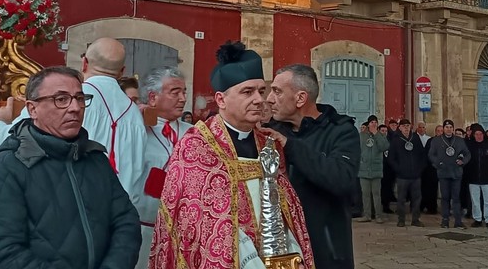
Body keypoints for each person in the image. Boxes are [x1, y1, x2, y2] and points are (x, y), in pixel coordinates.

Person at [150, 43, 314, 269]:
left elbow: (284, 208)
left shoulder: (269, 143)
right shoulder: (196, 145)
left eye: (261, 90)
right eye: (247, 92)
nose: (259, 99)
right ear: (221, 100)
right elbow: (192, 222)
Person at [0, 66, 141, 267]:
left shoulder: (95, 159)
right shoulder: (9, 165)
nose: (75, 107)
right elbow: (6, 251)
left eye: (79, 98)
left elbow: (126, 221)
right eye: (61, 99)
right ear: (32, 109)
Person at [0, 37, 148, 207]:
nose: (76, 106)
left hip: (69, 205)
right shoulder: (135, 113)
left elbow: (11, 142)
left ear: (84, 63)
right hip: (120, 207)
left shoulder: (61, 96)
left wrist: (0, 122)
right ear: (122, 71)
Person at [265, 63, 360, 269]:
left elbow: (342, 179)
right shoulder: (271, 132)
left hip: (327, 249)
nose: (269, 99)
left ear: (300, 98)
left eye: (277, 91)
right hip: (284, 250)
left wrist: (291, 146)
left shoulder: (341, 131)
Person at [135, 66, 191, 269]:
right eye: (175, 93)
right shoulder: (136, 129)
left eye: (184, 92)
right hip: (143, 226)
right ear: (152, 97)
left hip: (183, 228)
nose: (183, 98)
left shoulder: (194, 133)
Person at [429, 119, 471, 229]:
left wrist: (463, 161)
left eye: (451, 127)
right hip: (443, 172)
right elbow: (431, 155)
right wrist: (438, 163)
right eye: (446, 127)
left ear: (453, 129)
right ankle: (445, 220)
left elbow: (467, 153)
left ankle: (458, 221)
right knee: (445, 197)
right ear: (443, 128)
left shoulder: (459, 140)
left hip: (456, 173)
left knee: (456, 198)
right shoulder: (436, 141)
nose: (449, 129)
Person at [388, 118, 426, 227]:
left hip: (415, 176)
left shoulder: (415, 138)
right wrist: (398, 169)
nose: (406, 128)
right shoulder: (396, 140)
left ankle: (415, 219)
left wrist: (420, 169)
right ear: (400, 128)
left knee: (417, 199)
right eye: (404, 126)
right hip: (402, 176)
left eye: (408, 126)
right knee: (401, 199)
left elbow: (422, 155)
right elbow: (391, 158)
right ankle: (401, 219)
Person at [356, 114, 389, 223]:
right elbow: (356, 150)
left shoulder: (381, 136)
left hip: (376, 169)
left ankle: (378, 216)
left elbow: (384, 147)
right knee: (365, 194)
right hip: (364, 169)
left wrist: (376, 134)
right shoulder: (362, 136)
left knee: (376, 194)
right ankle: (367, 215)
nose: (374, 124)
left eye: (375, 122)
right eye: (371, 123)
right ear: (368, 124)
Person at [466, 123, 488, 229]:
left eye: (481, 134)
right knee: (475, 201)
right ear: (473, 135)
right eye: (477, 134)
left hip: (487, 177)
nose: (479, 136)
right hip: (473, 177)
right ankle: (477, 219)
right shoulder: (469, 146)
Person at [420, 124, 442, 214]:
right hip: (431, 168)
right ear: (435, 132)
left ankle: (434, 207)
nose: (440, 133)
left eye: (441, 131)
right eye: (438, 131)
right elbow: (427, 154)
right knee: (429, 188)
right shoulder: (431, 141)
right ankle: (428, 206)